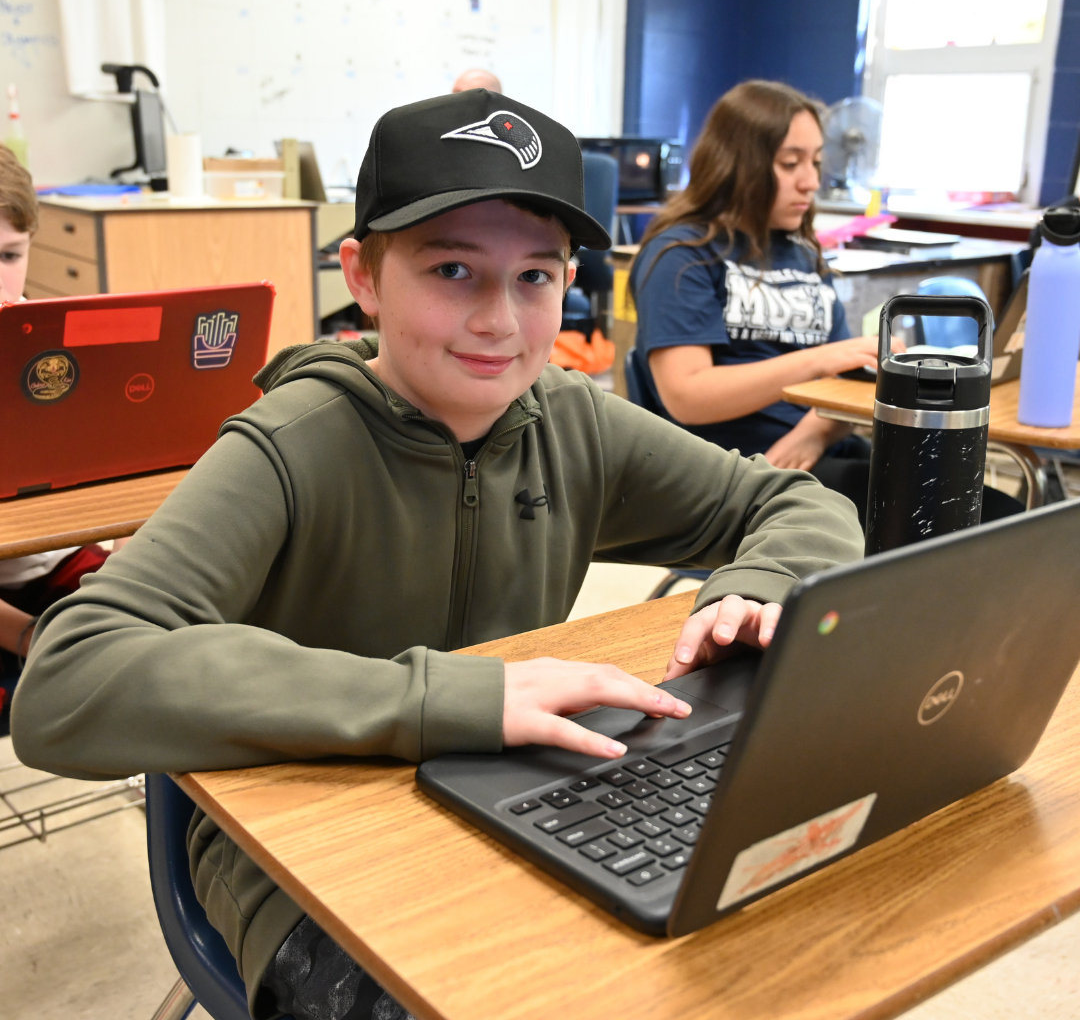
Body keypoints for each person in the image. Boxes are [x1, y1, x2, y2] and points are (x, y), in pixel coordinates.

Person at [11, 90, 863, 1020]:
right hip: (294, 852)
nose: (500, 320)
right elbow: (68, 679)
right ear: (365, 278)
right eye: (453, 269)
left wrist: (753, 585)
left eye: (536, 277)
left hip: (507, 807)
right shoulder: (288, 445)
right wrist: (452, 698)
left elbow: (794, 499)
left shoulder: (572, 422)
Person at [629, 81, 891, 520]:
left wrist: (816, 430)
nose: (810, 181)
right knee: (938, 526)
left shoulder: (803, 253)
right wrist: (817, 360)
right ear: (739, 164)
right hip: (733, 474)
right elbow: (687, 394)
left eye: (816, 161)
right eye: (790, 163)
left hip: (812, 453)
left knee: (971, 506)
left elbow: (847, 381)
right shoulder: (681, 255)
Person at [0, 145, 115, 733]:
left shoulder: (49, 346)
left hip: (54, 558)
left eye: (9, 255)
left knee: (156, 638)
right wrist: (25, 637)